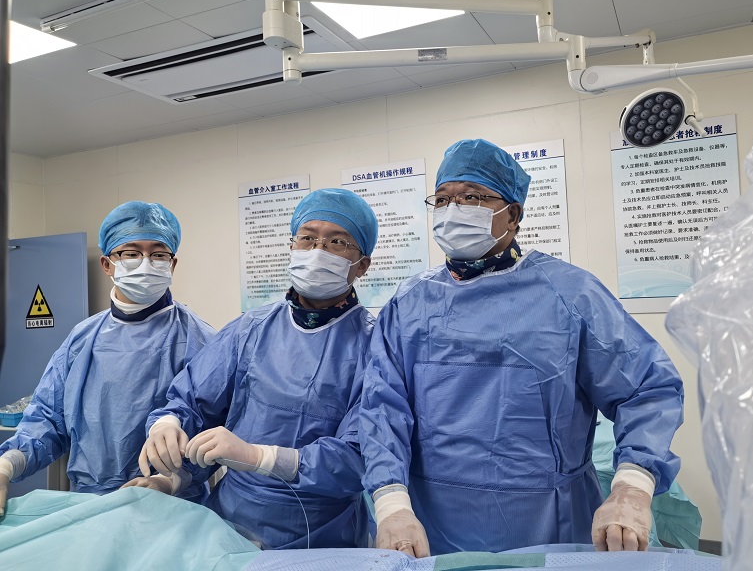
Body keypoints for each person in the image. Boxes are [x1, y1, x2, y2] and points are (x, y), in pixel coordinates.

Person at [359, 138, 685, 556]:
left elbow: (647, 389)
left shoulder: (571, 295)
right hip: (427, 527)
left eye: (471, 197)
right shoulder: (409, 304)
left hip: (549, 524)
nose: (452, 210)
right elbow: (382, 408)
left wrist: (631, 488)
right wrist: (391, 505)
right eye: (441, 200)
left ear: (512, 214)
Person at [137, 188, 377, 550]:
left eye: (338, 242)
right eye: (307, 238)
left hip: (323, 537)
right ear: (292, 246)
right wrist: (170, 469)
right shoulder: (250, 329)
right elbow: (195, 404)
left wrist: (257, 456)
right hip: (230, 527)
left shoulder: (374, 345)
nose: (318, 251)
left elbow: (359, 456)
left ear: (362, 265)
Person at [0, 201, 216, 515]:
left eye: (158, 254)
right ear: (107, 264)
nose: (145, 263)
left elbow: (214, 430)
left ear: (172, 264)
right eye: (130, 253)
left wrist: (171, 480)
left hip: (174, 510)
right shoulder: (82, 339)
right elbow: (47, 420)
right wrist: (7, 465)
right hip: (92, 507)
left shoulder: (200, 339)